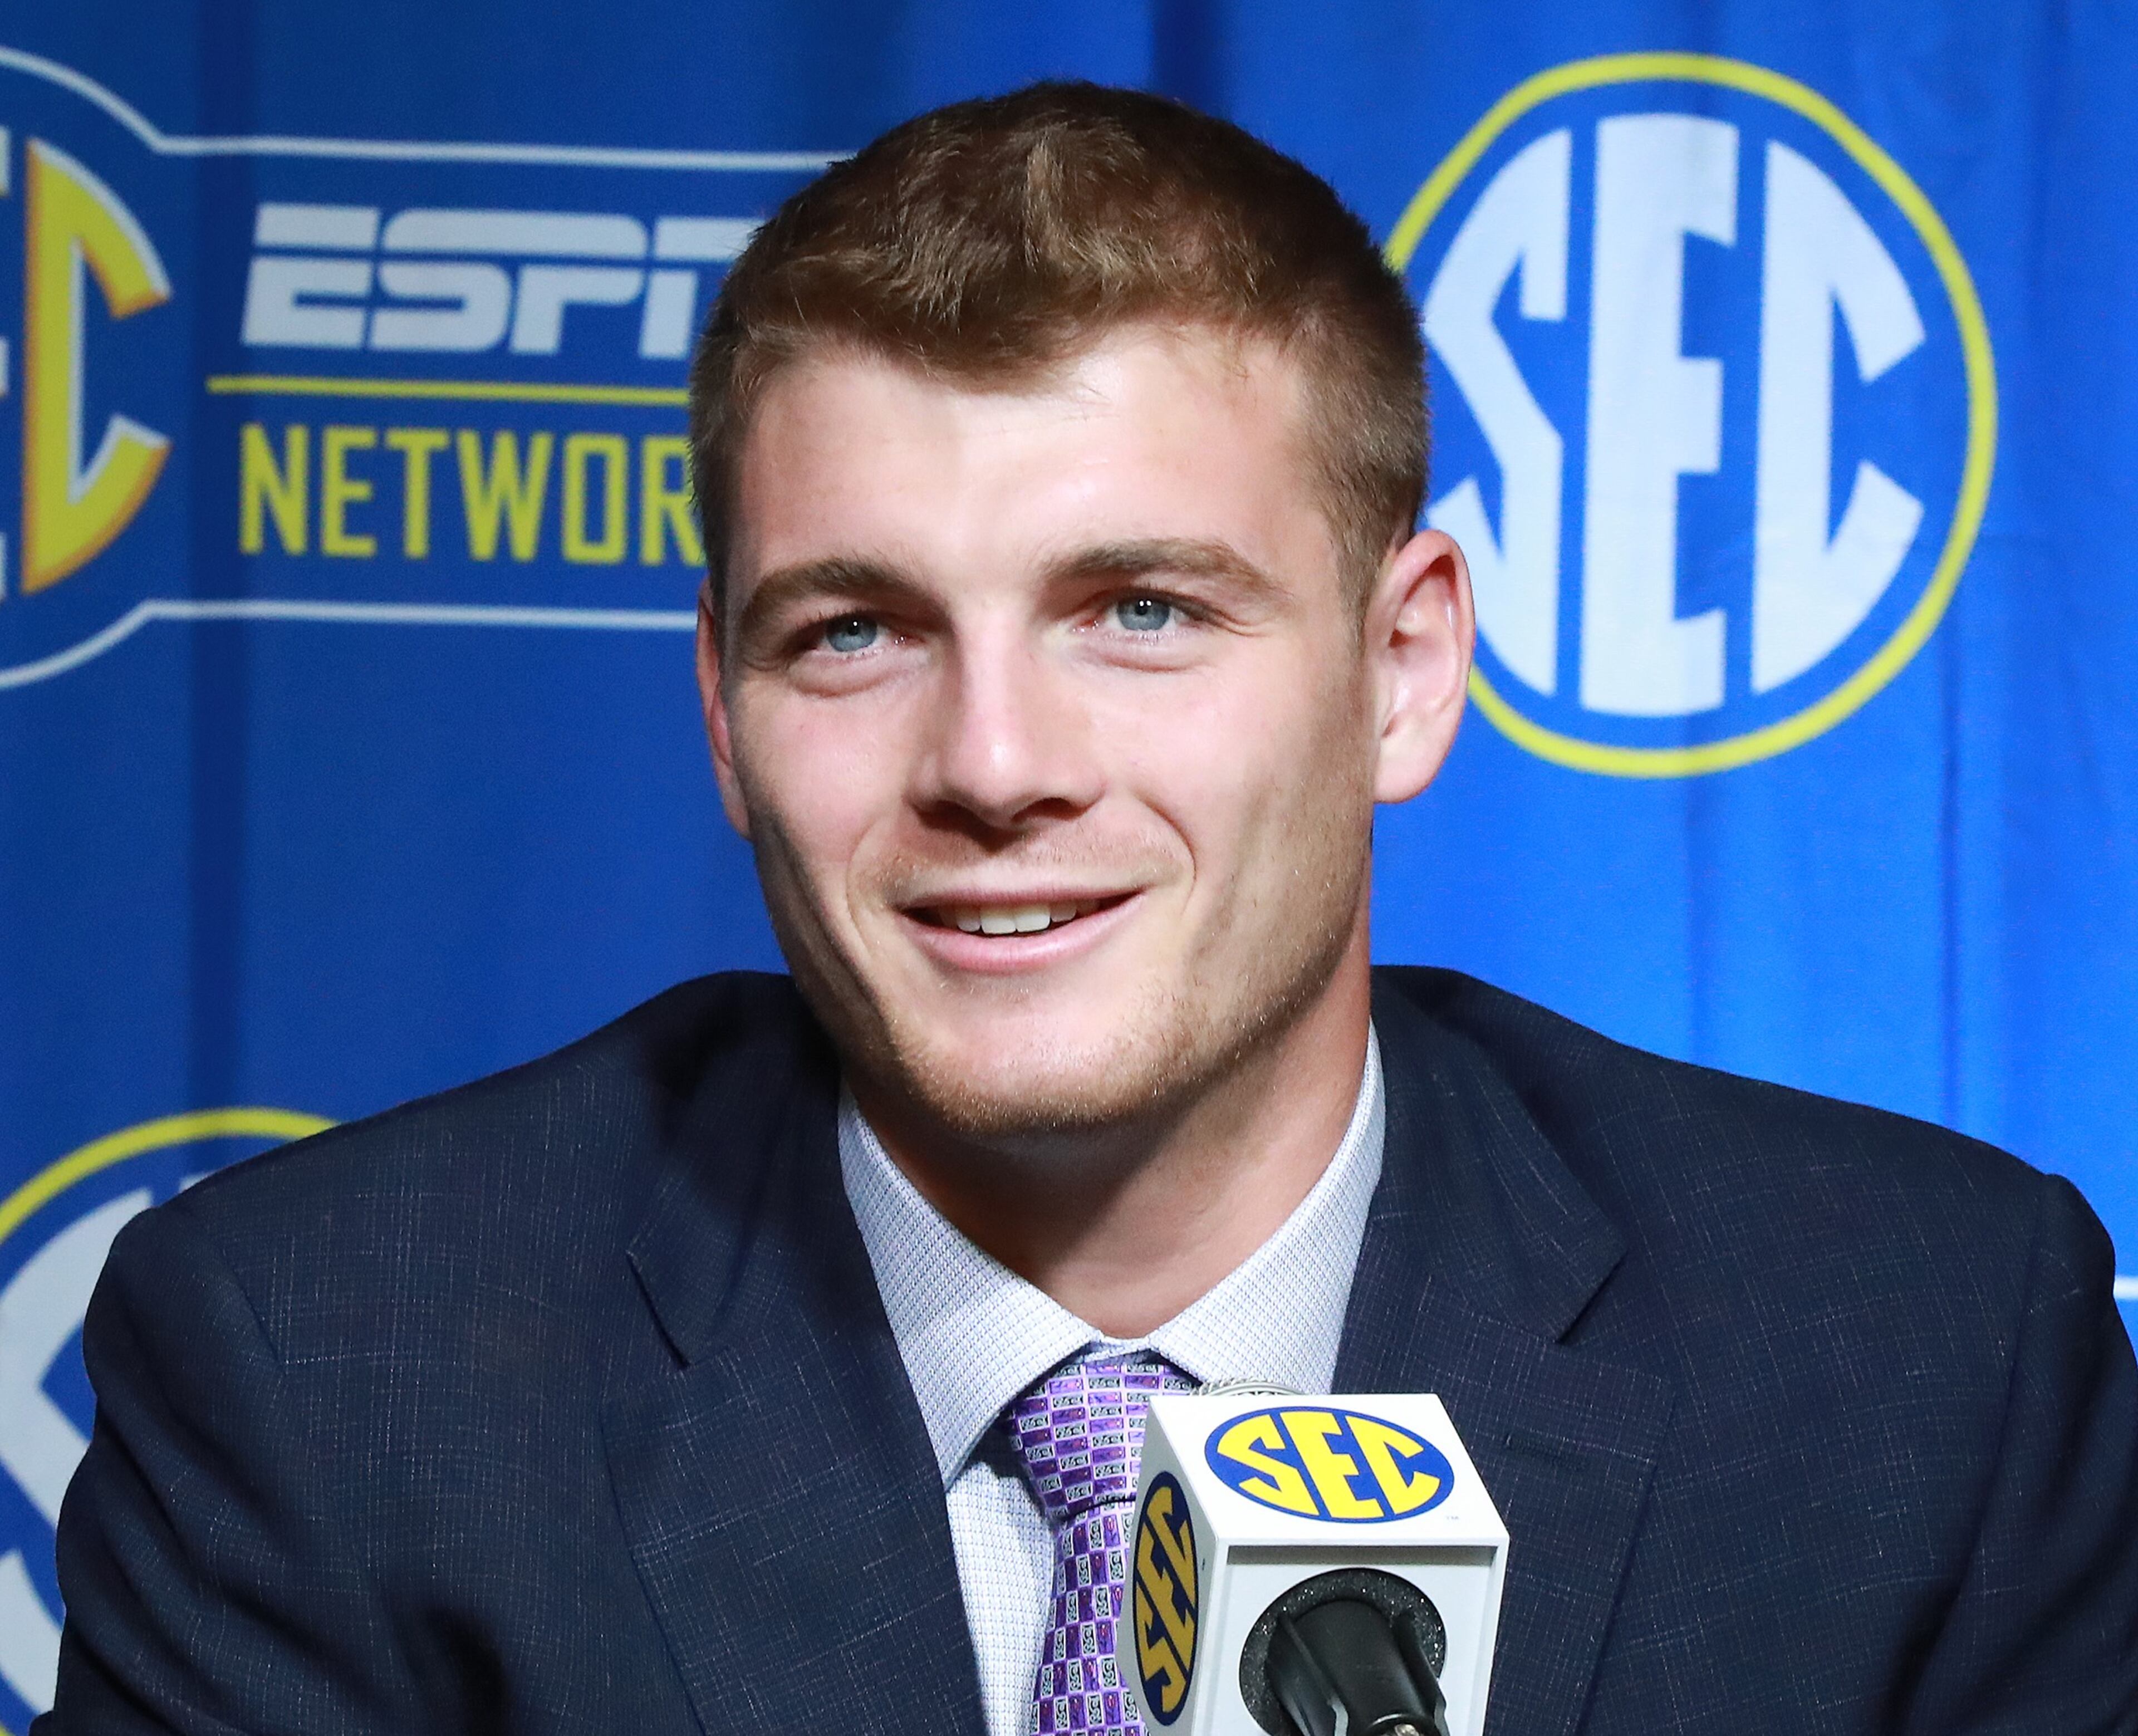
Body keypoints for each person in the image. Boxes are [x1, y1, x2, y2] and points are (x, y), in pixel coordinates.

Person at [39, 83, 2138, 1736]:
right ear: (722, 710)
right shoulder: (326, 1368)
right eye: (854, 631)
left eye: (1140, 610)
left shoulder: (1921, 1364)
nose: (994, 760)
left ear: (1402, 668)